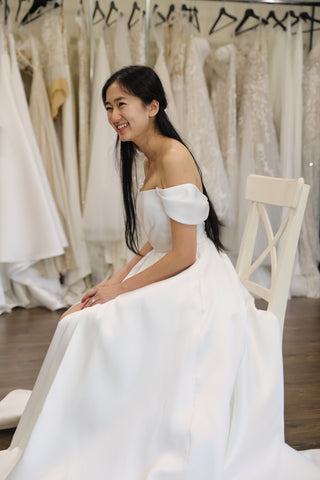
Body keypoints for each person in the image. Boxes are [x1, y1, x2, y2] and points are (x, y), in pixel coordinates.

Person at [0, 65, 319, 479]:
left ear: (152, 107)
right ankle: (92, 430)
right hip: (169, 265)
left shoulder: (172, 155)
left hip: (194, 279)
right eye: (109, 107)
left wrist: (122, 291)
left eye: (122, 105)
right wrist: (116, 280)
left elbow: (184, 253)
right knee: (79, 316)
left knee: (95, 324)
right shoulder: (147, 154)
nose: (114, 116)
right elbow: (157, 238)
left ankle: (102, 437)